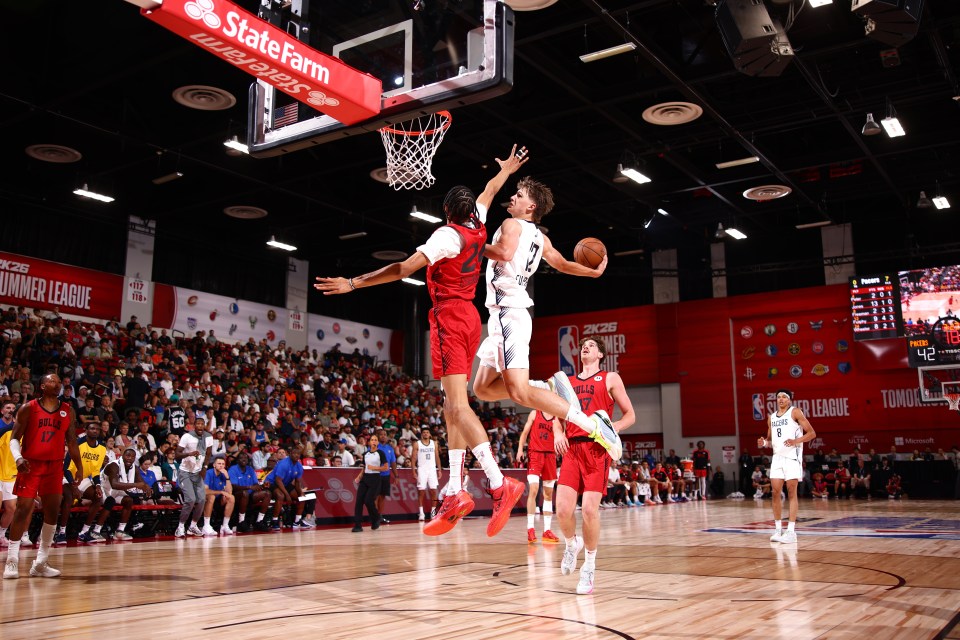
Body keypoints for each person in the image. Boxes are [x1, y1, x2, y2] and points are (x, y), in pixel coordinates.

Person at [316, 145, 531, 537]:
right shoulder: (478, 221)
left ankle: (500, 485)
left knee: (460, 407)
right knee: (452, 405)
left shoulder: (447, 236)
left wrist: (353, 282)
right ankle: (455, 490)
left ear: (448, 212)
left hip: (449, 315)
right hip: (470, 317)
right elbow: (489, 190)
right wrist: (507, 170)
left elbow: (402, 268)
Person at [554, 335, 635, 595]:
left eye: (591, 345)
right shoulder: (568, 382)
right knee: (563, 511)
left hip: (597, 449)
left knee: (589, 511)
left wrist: (612, 428)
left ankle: (589, 567)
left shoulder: (610, 378)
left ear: (600, 354)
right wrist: (557, 433)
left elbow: (630, 415)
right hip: (572, 449)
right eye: (583, 345)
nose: (585, 346)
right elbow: (556, 414)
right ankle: (571, 544)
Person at [4, 373, 83, 579]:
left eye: (58, 381)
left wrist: (79, 467)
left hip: (55, 467)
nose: (56, 383)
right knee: (22, 510)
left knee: (52, 512)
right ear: (41, 386)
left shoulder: (67, 411)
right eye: (51, 380)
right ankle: (11, 561)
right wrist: (19, 458)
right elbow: (14, 438)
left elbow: (72, 442)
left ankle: (40, 562)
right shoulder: (28, 408)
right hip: (31, 465)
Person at [757, 389, 816, 544]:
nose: (781, 399)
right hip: (777, 458)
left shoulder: (795, 412)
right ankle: (778, 530)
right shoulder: (771, 418)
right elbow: (770, 441)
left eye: (784, 397)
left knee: (791, 492)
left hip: (792, 458)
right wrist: (764, 443)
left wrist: (795, 441)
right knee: (775, 492)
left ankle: (791, 531)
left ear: (789, 400)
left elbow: (811, 433)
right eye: (778, 397)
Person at [57, 422, 109, 544]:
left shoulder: (102, 448)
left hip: (83, 478)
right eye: (92, 428)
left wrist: (97, 485)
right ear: (86, 430)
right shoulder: (77, 444)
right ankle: (61, 532)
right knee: (69, 496)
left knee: (98, 497)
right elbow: (66, 468)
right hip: (66, 477)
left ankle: (84, 532)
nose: (95, 431)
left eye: (97, 429)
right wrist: (74, 486)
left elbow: (96, 471)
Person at [516, 409, 561, 543]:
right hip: (535, 454)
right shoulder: (535, 413)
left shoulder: (557, 417)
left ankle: (547, 530)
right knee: (534, 490)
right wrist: (520, 449)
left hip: (550, 456)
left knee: (548, 495)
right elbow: (524, 433)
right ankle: (530, 528)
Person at [100, 446, 152, 541]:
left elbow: (141, 482)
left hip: (115, 492)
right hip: (103, 489)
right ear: (122, 456)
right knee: (110, 501)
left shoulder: (134, 468)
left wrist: (147, 487)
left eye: (133, 457)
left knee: (129, 500)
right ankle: (95, 530)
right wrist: (136, 484)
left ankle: (120, 531)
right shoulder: (114, 465)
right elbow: (114, 484)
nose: (130, 458)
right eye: (128, 455)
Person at [174, 417, 212, 538]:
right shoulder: (187, 436)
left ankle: (193, 526)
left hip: (198, 471)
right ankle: (180, 527)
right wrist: (189, 453)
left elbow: (209, 453)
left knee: (201, 500)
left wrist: (205, 467)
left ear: (204, 425)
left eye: (202, 424)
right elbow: (177, 454)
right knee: (190, 500)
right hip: (185, 471)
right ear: (194, 425)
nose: (200, 426)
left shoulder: (209, 437)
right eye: (198, 424)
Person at [263, 446, 312, 530]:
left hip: (285, 484)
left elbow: (297, 482)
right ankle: (274, 521)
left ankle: (297, 521)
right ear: (289, 454)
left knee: (303, 497)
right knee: (281, 496)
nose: (296, 455)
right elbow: (278, 481)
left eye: (298, 454)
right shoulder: (283, 464)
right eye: (294, 453)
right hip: (272, 483)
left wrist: (300, 493)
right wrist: (287, 495)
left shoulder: (299, 466)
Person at [353, 434, 387, 532]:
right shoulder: (366, 454)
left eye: (375, 440)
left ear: (377, 442)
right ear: (369, 442)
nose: (373, 441)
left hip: (375, 478)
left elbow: (385, 467)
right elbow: (364, 467)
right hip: (365, 478)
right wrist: (359, 477)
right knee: (359, 501)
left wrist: (375, 468)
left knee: (368, 501)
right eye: (372, 440)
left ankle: (376, 518)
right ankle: (358, 525)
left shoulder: (380, 453)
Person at [410, 427, 441, 522]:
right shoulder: (417, 444)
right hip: (422, 469)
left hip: (432, 469)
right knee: (421, 492)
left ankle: (433, 512)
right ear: (421, 434)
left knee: (433, 491)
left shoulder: (434, 443)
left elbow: (437, 456)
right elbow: (413, 458)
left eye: (427, 432)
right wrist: (413, 471)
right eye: (424, 432)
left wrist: (439, 469)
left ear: (430, 434)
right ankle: (421, 513)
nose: (426, 434)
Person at [201, 456, 235, 536]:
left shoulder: (223, 474)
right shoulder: (208, 473)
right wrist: (220, 492)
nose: (221, 466)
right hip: (205, 499)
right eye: (219, 463)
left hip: (218, 500)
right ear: (214, 465)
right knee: (211, 496)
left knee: (231, 497)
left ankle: (225, 525)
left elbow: (229, 492)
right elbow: (205, 491)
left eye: (223, 464)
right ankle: (206, 526)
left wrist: (227, 477)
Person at [374, 427, 397, 524]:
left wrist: (396, 476)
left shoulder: (390, 449)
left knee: (382, 496)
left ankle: (379, 516)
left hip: (386, 475)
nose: (383, 436)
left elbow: (393, 463)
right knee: (374, 497)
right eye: (381, 434)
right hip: (375, 475)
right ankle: (374, 516)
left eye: (385, 435)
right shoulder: (374, 446)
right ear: (378, 436)